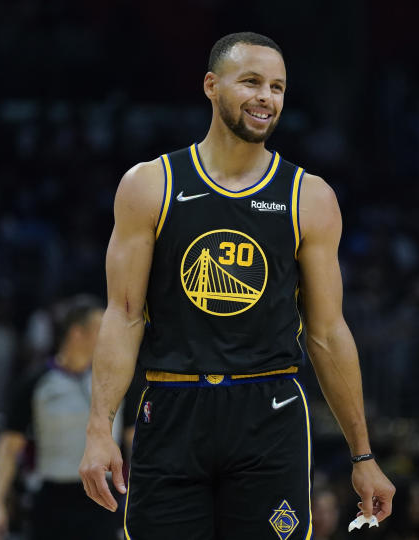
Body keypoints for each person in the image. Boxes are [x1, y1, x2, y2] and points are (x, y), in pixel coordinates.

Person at [78, 31, 395, 539]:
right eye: (251, 82)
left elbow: (328, 333)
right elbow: (124, 314)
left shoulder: (309, 197)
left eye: (277, 86)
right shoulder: (149, 185)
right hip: (173, 406)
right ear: (211, 85)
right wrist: (99, 430)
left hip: (269, 414)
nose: (266, 97)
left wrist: (363, 454)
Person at [0, 295, 122, 540]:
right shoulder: (35, 383)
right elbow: (8, 448)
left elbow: (136, 439)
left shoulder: (117, 381)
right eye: (101, 330)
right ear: (77, 333)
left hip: (106, 500)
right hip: (53, 501)